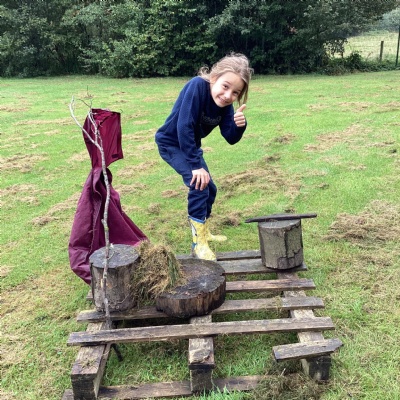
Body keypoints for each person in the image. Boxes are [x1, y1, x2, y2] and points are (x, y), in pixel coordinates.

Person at [155, 52, 253, 261]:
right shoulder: (197, 86)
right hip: (171, 143)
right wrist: (195, 165)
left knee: (211, 189)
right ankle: (198, 243)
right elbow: (184, 126)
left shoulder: (225, 105)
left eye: (235, 93)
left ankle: (204, 231)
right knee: (199, 184)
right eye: (225, 86)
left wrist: (239, 126)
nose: (227, 95)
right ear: (214, 78)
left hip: (189, 147)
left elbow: (230, 137)